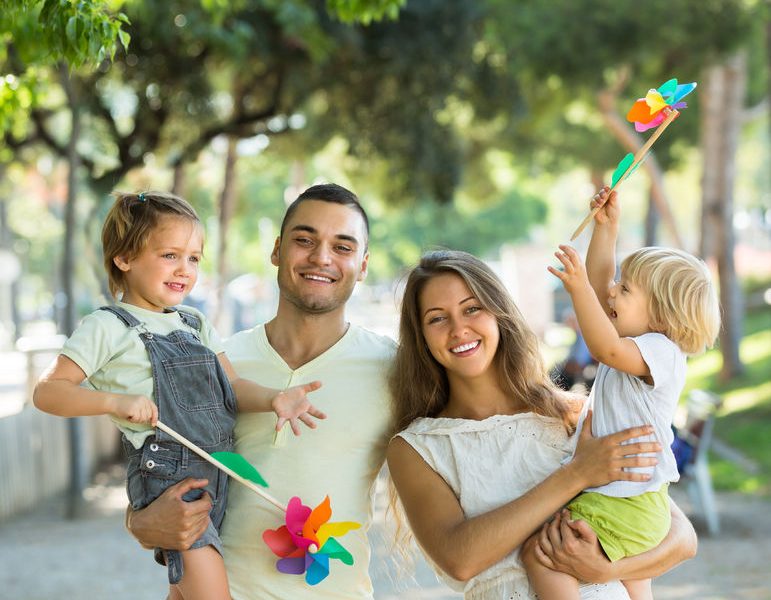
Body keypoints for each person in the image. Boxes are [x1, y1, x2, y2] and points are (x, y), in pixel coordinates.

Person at [33, 191, 325, 600]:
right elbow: (48, 392)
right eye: (170, 255)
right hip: (170, 479)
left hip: (221, 469)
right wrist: (113, 403)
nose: (184, 269)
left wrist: (275, 398)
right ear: (125, 257)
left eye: (193, 258)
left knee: (185, 595)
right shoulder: (109, 326)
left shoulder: (195, 322)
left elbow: (233, 389)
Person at [124, 183, 397, 600]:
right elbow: (158, 464)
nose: (321, 257)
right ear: (276, 250)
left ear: (362, 265)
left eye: (343, 247)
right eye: (304, 240)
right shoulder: (213, 360)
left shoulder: (394, 370)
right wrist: (139, 522)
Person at [387, 249, 698, 600]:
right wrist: (576, 474)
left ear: (498, 314)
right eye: (437, 318)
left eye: (472, 308)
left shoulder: (573, 415)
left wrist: (609, 569)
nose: (459, 329)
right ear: (422, 337)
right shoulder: (417, 448)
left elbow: (682, 538)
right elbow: (459, 558)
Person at [525, 186, 721, 600]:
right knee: (637, 590)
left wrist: (576, 289)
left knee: (542, 554)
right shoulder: (640, 341)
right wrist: (606, 230)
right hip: (635, 499)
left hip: (626, 500)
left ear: (662, 315)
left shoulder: (661, 352)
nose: (612, 291)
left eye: (626, 289)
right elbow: (599, 293)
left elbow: (603, 346)